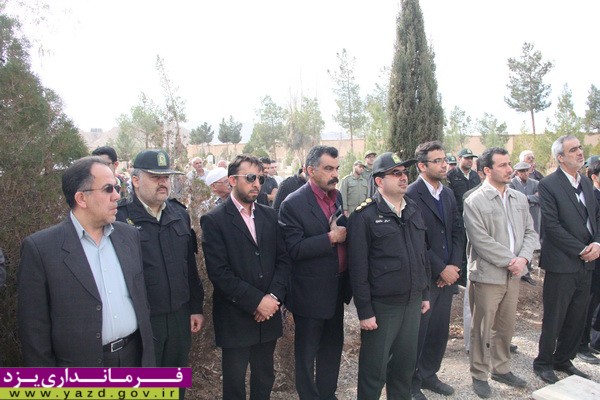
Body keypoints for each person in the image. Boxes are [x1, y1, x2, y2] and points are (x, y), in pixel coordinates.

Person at [18, 156, 155, 367]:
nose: (117, 196)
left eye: (116, 187)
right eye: (108, 189)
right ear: (81, 198)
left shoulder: (129, 236)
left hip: (135, 359)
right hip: (81, 367)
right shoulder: (41, 248)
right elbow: (34, 329)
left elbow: (141, 300)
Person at [200, 155, 291, 400]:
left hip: (269, 314)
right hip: (235, 316)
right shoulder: (214, 220)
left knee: (265, 376)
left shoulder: (269, 216)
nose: (257, 184)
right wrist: (256, 302)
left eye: (260, 178)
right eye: (250, 178)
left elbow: (283, 260)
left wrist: (272, 298)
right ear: (232, 180)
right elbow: (219, 273)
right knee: (235, 382)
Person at [116, 149, 204, 398]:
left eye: (166, 177)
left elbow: (189, 266)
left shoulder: (179, 213)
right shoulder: (120, 218)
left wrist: (195, 307)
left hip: (178, 317)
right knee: (145, 386)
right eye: (155, 177)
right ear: (135, 180)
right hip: (142, 320)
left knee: (175, 384)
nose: (163, 182)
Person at [347, 152, 430, 400]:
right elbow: (358, 268)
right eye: (396, 173)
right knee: (374, 370)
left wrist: (424, 293)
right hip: (383, 308)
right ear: (379, 181)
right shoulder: (364, 216)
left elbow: (422, 255)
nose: (404, 177)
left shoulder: (413, 209)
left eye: (404, 172)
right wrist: (365, 311)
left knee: (404, 368)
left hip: (412, 302)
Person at [279, 145, 352, 400]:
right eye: (328, 169)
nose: (335, 174)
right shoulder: (293, 203)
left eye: (337, 168)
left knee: (332, 348)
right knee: (307, 353)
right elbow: (293, 249)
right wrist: (330, 238)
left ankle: (327, 394)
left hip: (336, 289)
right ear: (310, 170)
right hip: (309, 293)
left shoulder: (336, 196)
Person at [463, 147, 538, 398]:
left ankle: (501, 368)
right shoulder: (474, 200)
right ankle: (479, 373)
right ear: (487, 170)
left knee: (505, 325)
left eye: (509, 164)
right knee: (482, 328)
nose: (510, 169)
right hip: (488, 275)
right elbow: (480, 240)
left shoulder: (519, 198)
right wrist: (511, 261)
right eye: (503, 165)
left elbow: (530, 232)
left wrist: (523, 259)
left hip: (514, 274)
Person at [533, 135, 600, 384]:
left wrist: (597, 244)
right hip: (562, 262)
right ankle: (543, 362)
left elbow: (596, 217)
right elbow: (551, 225)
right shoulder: (549, 184)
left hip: (588, 262)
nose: (580, 152)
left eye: (580, 148)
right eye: (573, 150)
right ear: (560, 157)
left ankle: (563, 358)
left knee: (577, 315)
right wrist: (581, 249)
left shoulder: (586, 182)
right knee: (555, 316)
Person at [407, 142, 463, 400]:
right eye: (437, 161)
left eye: (445, 159)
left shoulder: (448, 194)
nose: (444, 165)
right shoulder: (411, 194)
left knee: (439, 331)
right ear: (422, 165)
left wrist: (454, 266)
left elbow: (457, 231)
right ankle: (411, 383)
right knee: (418, 333)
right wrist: (440, 268)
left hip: (448, 276)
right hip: (425, 277)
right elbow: (416, 240)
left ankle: (429, 374)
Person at [577, 159, 600, 364]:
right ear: (594, 177)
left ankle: (594, 340)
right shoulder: (591, 197)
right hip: (593, 260)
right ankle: (581, 344)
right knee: (588, 303)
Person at [447, 148, 481, 287]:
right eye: (466, 158)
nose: (469, 161)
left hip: (474, 216)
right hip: (458, 216)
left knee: (473, 244)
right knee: (460, 245)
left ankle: (470, 273)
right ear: (459, 158)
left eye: (471, 158)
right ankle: (460, 277)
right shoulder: (451, 175)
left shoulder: (475, 176)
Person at [509, 161, 540, 286]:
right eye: (522, 171)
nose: (525, 173)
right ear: (517, 172)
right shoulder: (512, 183)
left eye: (527, 170)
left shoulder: (536, 183)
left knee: (529, 242)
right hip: (517, 217)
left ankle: (527, 271)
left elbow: (540, 198)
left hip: (532, 216)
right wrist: (531, 198)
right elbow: (513, 199)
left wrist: (525, 198)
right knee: (518, 242)